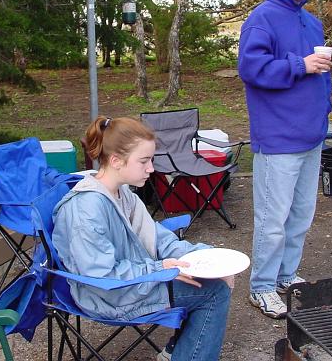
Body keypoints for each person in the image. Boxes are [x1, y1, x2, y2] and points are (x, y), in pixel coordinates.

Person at [52, 116, 233, 361]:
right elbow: (99, 276)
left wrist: (203, 256)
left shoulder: (121, 193)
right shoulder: (85, 209)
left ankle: (178, 351)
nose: (151, 169)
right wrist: (160, 269)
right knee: (213, 292)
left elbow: (158, 239)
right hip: (108, 294)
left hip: (133, 280)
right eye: (144, 161)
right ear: (116, 160)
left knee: (208, 279)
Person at [237, 0, 332, 319]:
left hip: (311, 136)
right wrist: (300, 65)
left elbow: (315, 72)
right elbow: (252, 69)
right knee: (273, 219)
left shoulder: (311, 21)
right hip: (278, 138)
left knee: (301, 215)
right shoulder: (261, 18)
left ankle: (286, 276)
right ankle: (261, 286)